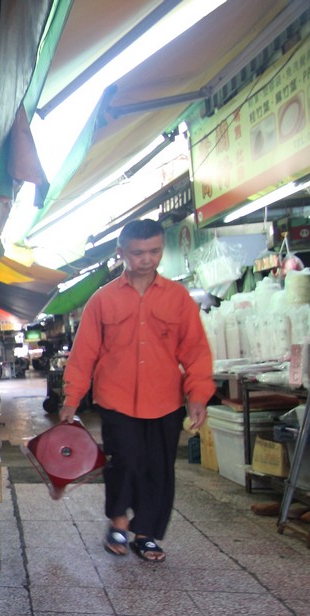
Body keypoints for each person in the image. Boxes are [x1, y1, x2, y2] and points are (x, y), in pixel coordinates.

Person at [58, 219, 214, 563]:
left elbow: (196, 351)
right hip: (116, 398)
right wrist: (72, 399)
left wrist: (198, 395)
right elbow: (84, 353)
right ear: (121, 253)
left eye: (155, 251)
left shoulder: (178, 298)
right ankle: (118, 522)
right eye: (138, 253)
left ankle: (146, 534)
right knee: (123, 463)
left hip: (166, 400)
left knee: (158, 468)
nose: (147, 259)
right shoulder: (102, 300)